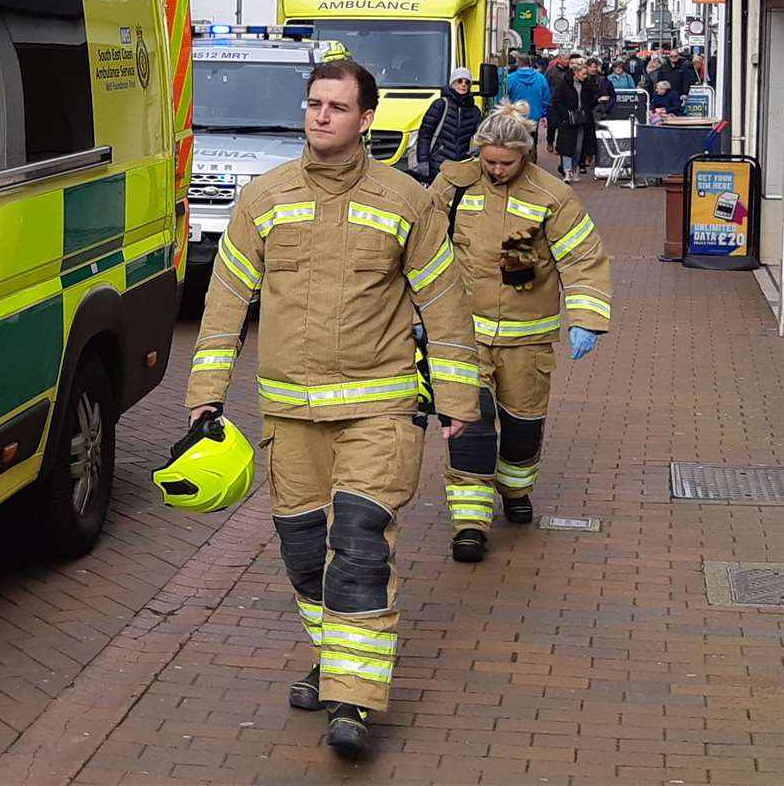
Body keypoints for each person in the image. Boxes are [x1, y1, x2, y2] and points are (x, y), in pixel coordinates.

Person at [186, 58, 479, 760]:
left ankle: (353, 698)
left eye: (337, 106)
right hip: (288, 416)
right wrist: (204, 399)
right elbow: (225, 303)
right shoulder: (262, 198)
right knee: (301, 557)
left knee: (358, 545)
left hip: (377, 406)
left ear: (365, 119)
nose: (320, 116)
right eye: (314, 103)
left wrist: (458, 400)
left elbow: (444, 306)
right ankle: (335, 656)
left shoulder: (406, 201)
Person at [429, 103, 613, 563]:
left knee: (521, 428)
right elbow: (421, 247)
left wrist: (586, 318)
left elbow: (582, 257)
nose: (495, 170)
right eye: (488, 161)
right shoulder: (454, 185)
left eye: (505, 163)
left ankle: (515, 490)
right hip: (463, 335)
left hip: (527, 339)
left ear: (525, 156)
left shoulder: (552, 196)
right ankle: (470, 524)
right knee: (468, 428)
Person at [415, 67, 483, 181]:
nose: (463, 85)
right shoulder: (440, 104)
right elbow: (425, 134)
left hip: (462, 167)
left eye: (467, 82)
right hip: (437, 167)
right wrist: (423, 160)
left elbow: (483, 133)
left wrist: (480, 147)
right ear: (452, 83)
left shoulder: (474, 111)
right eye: (460, 81)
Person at [548, 61, 599, 183]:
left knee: (578, 147)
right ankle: (567, 171)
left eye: (586, 74)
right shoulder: (563, 83)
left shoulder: (587, 84)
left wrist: (593, 103)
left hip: (582, 119)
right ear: (575, 73)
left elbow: (593, 97)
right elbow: (557, 100)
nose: (585, 76)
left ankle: (574, 169)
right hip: (567, 120)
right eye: (583, 74)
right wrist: (566, 114)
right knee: (566, 146)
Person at [501, 57, 551, 155]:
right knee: (532, 142)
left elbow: (503, 96)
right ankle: (531, 164)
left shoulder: (510, 78)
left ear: (518, 64)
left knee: (516, 141)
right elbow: (546, 97)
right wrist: (543, 113)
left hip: (516, 115)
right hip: (534, 116)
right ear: (530, 63)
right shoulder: (540, 78)